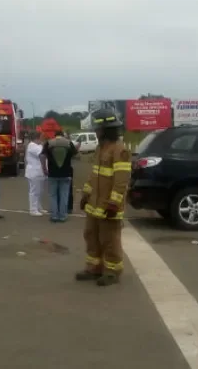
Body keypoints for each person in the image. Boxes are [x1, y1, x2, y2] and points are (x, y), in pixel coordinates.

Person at [76, 109, 131, 287]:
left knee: (110, 239)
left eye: (98, 129)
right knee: (91, 235)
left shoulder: (120, 150)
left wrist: (114, 203)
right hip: (94, 204)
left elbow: (121, 181)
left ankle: (112, 271)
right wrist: (86, 195)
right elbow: (94, 176)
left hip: (109, 205)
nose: (96, 132)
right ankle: (94, 268)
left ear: (107, 129)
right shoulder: (100, 148)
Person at [40, 130, 78, 222]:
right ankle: (63, 216)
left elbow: (42, 156)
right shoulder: (69, 143)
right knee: (64, 195)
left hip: (52, 173)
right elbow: (75, 154)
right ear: (62, 135)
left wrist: (44, 169)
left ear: (55, 135)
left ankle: (54, 216)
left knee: (53, 195)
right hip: (66, 173)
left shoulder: (48, 143)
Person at [24, 131, 46, 216]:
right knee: (34, 191)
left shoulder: (38, 145)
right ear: (38, 137)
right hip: (34, 172)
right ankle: (33, 209)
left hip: (39, 172)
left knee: (40, 191)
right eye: (42, 136)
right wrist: (44, 145)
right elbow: (42, 153)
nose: (43, 138)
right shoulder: (32, 145)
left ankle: (39, 207)